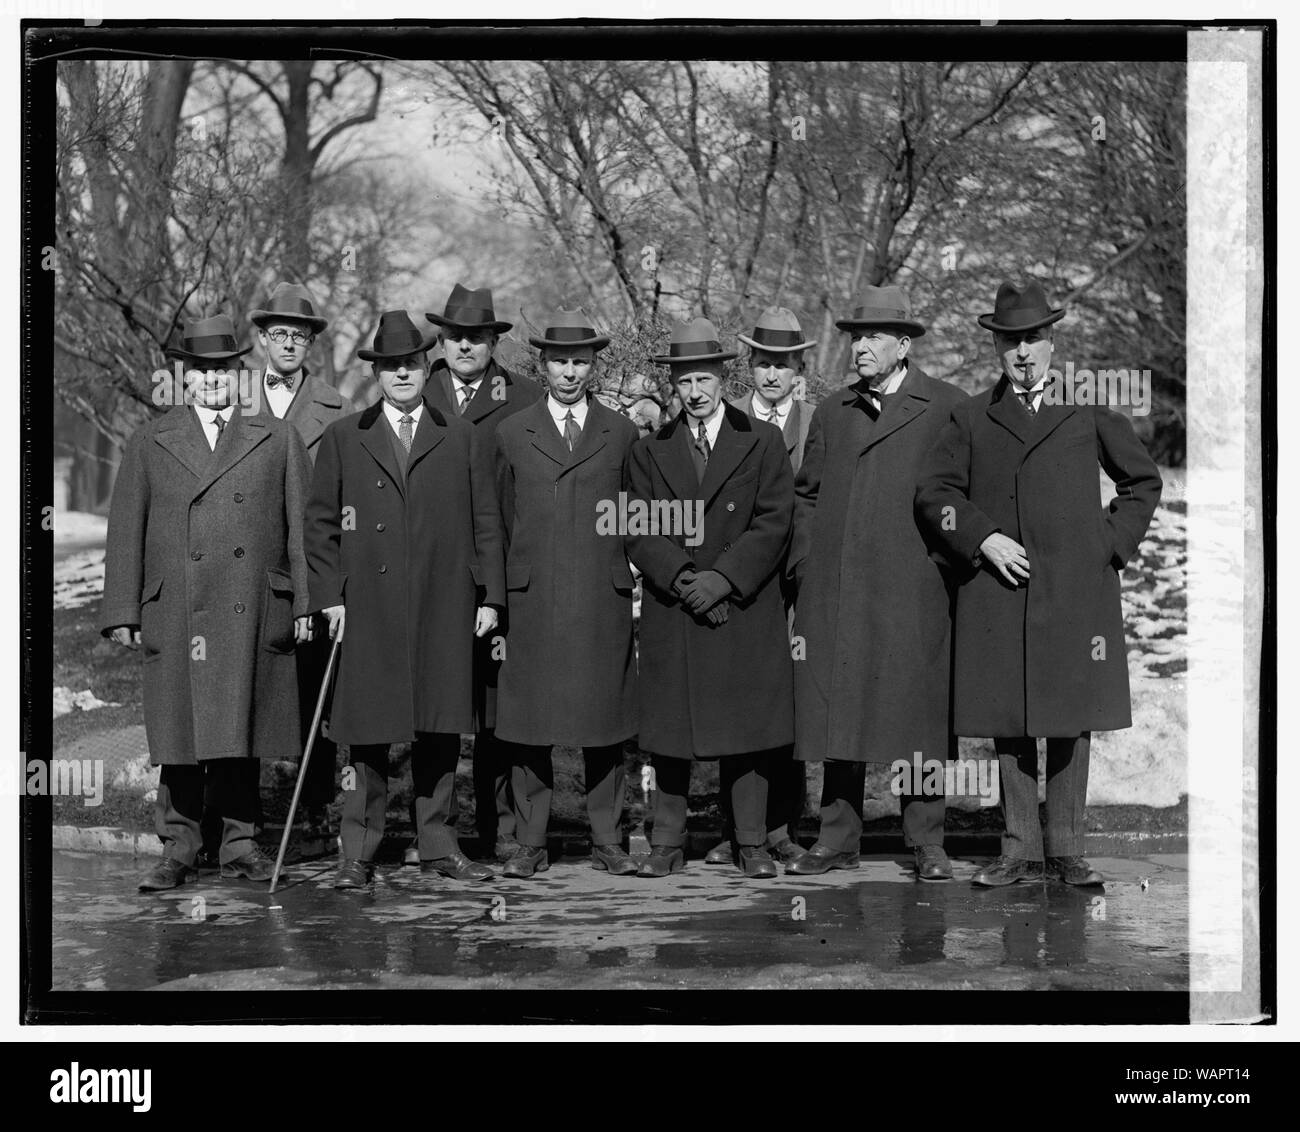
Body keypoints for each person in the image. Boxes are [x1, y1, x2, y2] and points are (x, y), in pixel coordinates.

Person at [915, 280, 1162, 887]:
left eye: (1033, 339)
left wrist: (1107, 545)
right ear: (997, 347)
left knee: (1069, 720)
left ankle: (1068, 851)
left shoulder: (1091, 406)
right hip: (999, 591)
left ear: (1052, 342)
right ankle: (1019, 850)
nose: (1023, 352)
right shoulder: (971, 415)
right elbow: (935, 493)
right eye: (1011, 341)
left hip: (1076, 593)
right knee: (1011, 720)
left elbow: (1142, 483)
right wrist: (981, 538)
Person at [100, 314, 312, 892]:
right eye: (201, 369)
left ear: (238, 374)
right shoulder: (150, 439)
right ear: (184, 376)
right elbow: (126, 529)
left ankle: (241, 845)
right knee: (179, 735)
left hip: (248, 602)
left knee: (238, 729)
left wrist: (306, 604)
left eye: (222, 368)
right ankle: (180, 847)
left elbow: (302, 529)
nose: (213, 378)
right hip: (177, 605)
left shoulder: (276, 437)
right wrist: (122, 609)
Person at [304, 310, 506, 890]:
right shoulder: (347, 435)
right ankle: (357, 852)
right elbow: (320, 525)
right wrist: (330, 596)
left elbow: (486, 520)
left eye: (411, 364)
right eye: (390, 366)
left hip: (444, 601)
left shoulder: (461, 434)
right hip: (366, 606)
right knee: (366, 735)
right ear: (377, 373)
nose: (401, 374)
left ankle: (438, 843)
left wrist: (489, 595)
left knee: (439, 731)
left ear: (426, 368)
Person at [786, 286, 969, 881]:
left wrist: (941, 568)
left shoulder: (945, 405)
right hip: (837, 589)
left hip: (915, 587)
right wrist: (806, 567)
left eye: (872, 338)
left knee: (919, 713)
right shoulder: (834, 410)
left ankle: (927, 841)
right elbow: (807, 495)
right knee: (841, 711)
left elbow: (962, 498)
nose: (859, 348)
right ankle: (837, 837)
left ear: (903, 344)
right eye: (854, 338)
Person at [625, 317, 795, 880]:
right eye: (683, 382)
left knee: (747, 729)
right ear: (672, 385)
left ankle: (751, 843)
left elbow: (774, 522)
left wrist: (721, 579)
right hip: (676, 607)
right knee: (671, 732)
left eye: (703, 379)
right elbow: (638, 528)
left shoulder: (762, 440)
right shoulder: (651, 450)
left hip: (742, 606)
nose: (694, 393)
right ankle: (668, 842)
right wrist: (682, 579)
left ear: (724, 377)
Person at [491, 309, 642, 878]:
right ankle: (530, 842)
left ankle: (608, 838)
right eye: (560, 361)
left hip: (601, 596)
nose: (570, 372)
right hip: (531, 599)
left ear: (593, 365)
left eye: (580, 361)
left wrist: (638, 576)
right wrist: (498, 594)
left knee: (604, 723)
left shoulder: (621, 432)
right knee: (530, 725)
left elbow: (637, 515)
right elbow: (499, 522)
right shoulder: (511, 432)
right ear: (543, 364)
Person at [421, 282, 543, 865]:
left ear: (494, 342)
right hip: (434, 574)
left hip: (502, 568)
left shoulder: (523, 397)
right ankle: (436, 832)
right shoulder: (415, 392)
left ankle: (505, 832)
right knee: (438, 709)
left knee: (500, 711)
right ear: (440, 342)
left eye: (477, 337)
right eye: (455, 337)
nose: (465, 346)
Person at [700, 306, 816, 869]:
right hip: (742, 579)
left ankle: (780, 825)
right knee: (738, 697)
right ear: (749, 366)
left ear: (800, 369)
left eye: (783, 364)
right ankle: (735, 825)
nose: (772, 374)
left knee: (786, 701)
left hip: (800, 579)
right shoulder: (732, 416)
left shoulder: (820, 421)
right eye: (763, 363)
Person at [248, 281, 350, 843]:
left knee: (314, 688)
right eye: (280, 333)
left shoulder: (336, 408)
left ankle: (316, 803)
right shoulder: (236, 400)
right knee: (250, 685)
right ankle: (243, 813)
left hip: (311, 563)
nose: (289, 344)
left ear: (311, 342)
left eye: (300, 335)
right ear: (263, 339)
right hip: (248, 564)